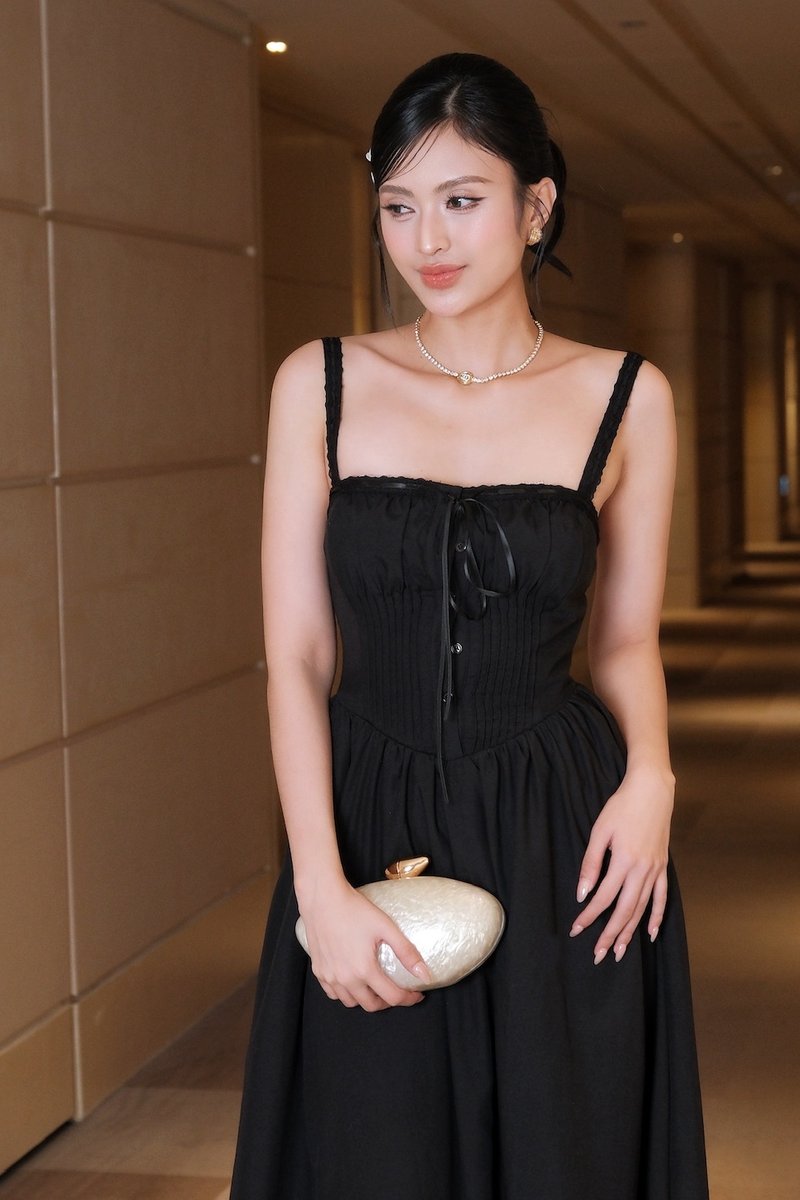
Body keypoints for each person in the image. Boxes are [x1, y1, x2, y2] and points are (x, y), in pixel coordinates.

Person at [229, 51, 708, 1200]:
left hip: (559, 827)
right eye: (397, 205)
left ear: (535, 204)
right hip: (363, 817)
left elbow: (623, 640)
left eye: (459, 199)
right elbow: (294, 654)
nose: (425, 240)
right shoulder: (319, 383)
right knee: (370, 1154)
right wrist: (318, 886)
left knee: (565, 1154)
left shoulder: (626, 397)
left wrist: (650, 778)